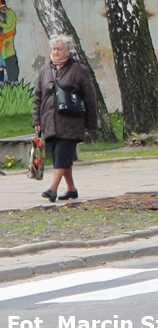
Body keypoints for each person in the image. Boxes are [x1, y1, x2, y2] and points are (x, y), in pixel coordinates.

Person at [32, 34, 97, 202]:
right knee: (59, 155)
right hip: (50, 122)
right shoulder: (46, 69)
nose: (56, 52)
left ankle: (52, 189)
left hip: (71, 121)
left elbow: (90, 96)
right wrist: (37, 121)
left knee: (62, 153)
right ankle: (71, 190)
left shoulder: (78, 69)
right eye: (53, 49)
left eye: (59, 49)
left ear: (68, 50)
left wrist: (90, 123)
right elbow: (38, 97)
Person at [0, 0, 18, 84]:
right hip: (2, 47)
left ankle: (13, 81)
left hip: (7, 45)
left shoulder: (10, 14)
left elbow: (9, 26)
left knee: (11, 64)